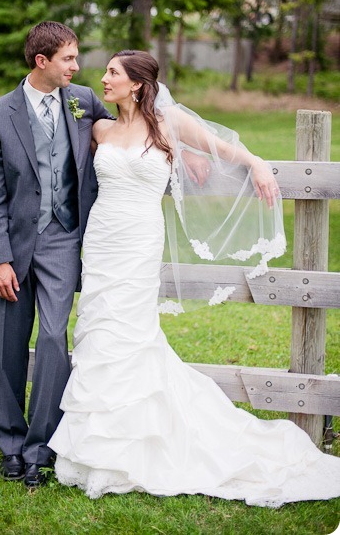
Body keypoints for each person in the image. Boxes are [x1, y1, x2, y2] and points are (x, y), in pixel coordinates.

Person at [48, 50, 340, 506]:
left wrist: (254, 163)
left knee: (131, 332)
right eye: (104, 71)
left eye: (112, 72)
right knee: (98, 328)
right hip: (102, 241)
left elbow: (223, 148)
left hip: (139, 241)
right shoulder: (99, 129)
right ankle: (97, 446)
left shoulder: (167, 125)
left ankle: (139, 441)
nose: (102, 78)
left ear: (138, 85)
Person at [0, 21, 113, 487]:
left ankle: (40, 448)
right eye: (69, 58)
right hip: (14, 247)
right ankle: (11, 443)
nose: (77, 66)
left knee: (54, 338)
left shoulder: (85, 102)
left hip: (63, 238)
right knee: (10, 346)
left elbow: (130, 129)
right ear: (42, 62)